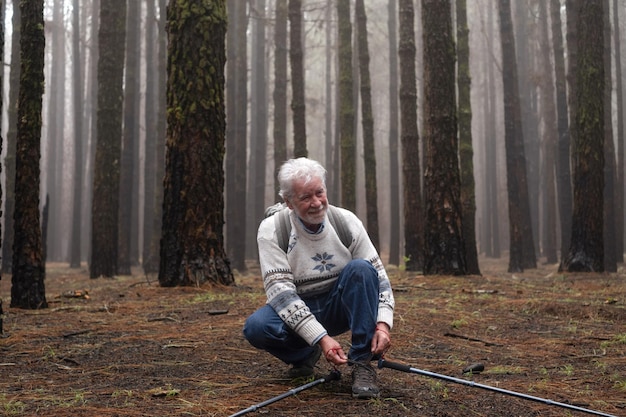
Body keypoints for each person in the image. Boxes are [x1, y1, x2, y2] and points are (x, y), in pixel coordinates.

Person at [243, 157, 395, 399]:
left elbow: (379, 278)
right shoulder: (273, 230)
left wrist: (383, 325)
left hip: (341, 304)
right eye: (305, 197)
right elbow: (281, 295)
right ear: (289, 202)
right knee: (257, 327)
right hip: (300, 304)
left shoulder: (346, 221)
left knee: (362, 269)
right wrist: (321, 339)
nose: (316, 203)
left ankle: (361, 363)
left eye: (319, 193)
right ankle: (304, 355)